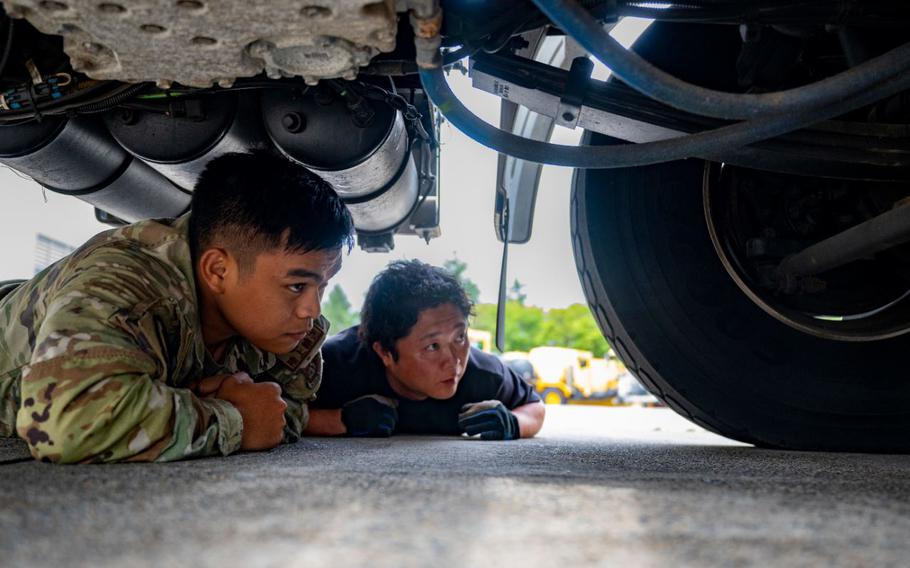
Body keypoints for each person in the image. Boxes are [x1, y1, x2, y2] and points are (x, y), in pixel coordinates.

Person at [0, 151, 354, 463]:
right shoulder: (125, 284)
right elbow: (69, 422)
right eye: (297, 285)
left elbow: (284, 410)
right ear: (218, 270)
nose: (312, 309)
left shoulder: (288, 330)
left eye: (323, 284)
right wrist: (235, 420)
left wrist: (242, 413)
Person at [306, 260, 545, 440]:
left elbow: (534, 407)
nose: (454, 363)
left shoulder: (483, 373)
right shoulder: (335, 364)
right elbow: (279, 412)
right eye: (432, 346)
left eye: (459, 337)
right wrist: (339, 421)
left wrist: (513, 423)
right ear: (384, 353)